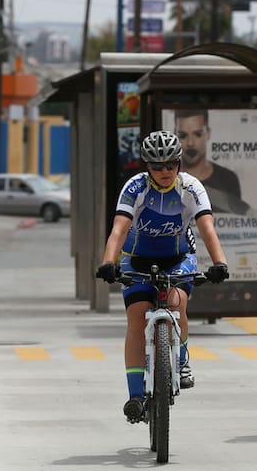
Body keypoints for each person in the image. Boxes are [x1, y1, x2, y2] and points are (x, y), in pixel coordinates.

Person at [96, 130, 230, 423]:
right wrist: (109, 262)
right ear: (147, 167)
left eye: (171, 165)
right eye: (157, 166)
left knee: (175, 301)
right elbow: (119, 229)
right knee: (136, 316)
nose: (165, 171)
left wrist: (219, 262)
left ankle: (181, 359)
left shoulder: (191, 187)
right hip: (137, 258)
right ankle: (134, 397)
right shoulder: (135, 188)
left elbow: (207, 227)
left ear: (180, 164)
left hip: (178, 257)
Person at [174, 109, 249, 215]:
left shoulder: (228, 179)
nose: (190, 143)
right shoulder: (167, 177)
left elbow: (237, 223)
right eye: (183, 135)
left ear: (208, 133)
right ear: (175, 136)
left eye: (197, 134)